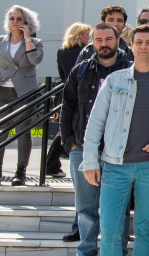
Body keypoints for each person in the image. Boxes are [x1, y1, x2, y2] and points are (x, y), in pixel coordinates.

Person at [82, 25, 149, 256]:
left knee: (144, 229)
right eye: (139, 42)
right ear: (131, 45)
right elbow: (95, 122)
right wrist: (90, 162)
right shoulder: (114, 81)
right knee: (109, 230)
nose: (143, 47)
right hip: (115, 167)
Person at [60, 23, 132, 256]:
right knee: (86, 208)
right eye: (98, 40)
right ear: (92, 43)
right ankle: (87, 251)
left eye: (108, 39)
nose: (103, 44)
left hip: (118, 152)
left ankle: (116, 252)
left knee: (118, 209)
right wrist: (69, 143)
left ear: (118, 40)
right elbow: (67, 108)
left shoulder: (132, 70)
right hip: (83, 149)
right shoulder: (80, 71)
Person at [0, 5, 44, 187]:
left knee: (23, 132)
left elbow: (35, 60)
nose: (15, 22)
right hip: (0, 91)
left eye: (19, 19)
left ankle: (20, 172)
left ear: (27, 22)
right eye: (12, 19)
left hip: (24, 92)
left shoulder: (36, 43)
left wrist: (27, 38)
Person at [48, 23, 93, 178]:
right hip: (84, 93)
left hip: (67, 92)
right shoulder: (86, 52)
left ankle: (51, 163)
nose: (89, 38)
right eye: (87, 34)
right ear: (79, 34)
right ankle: (51, 163)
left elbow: (62, 76)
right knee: (69, 129)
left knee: (64, 128)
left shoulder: (62, 52)